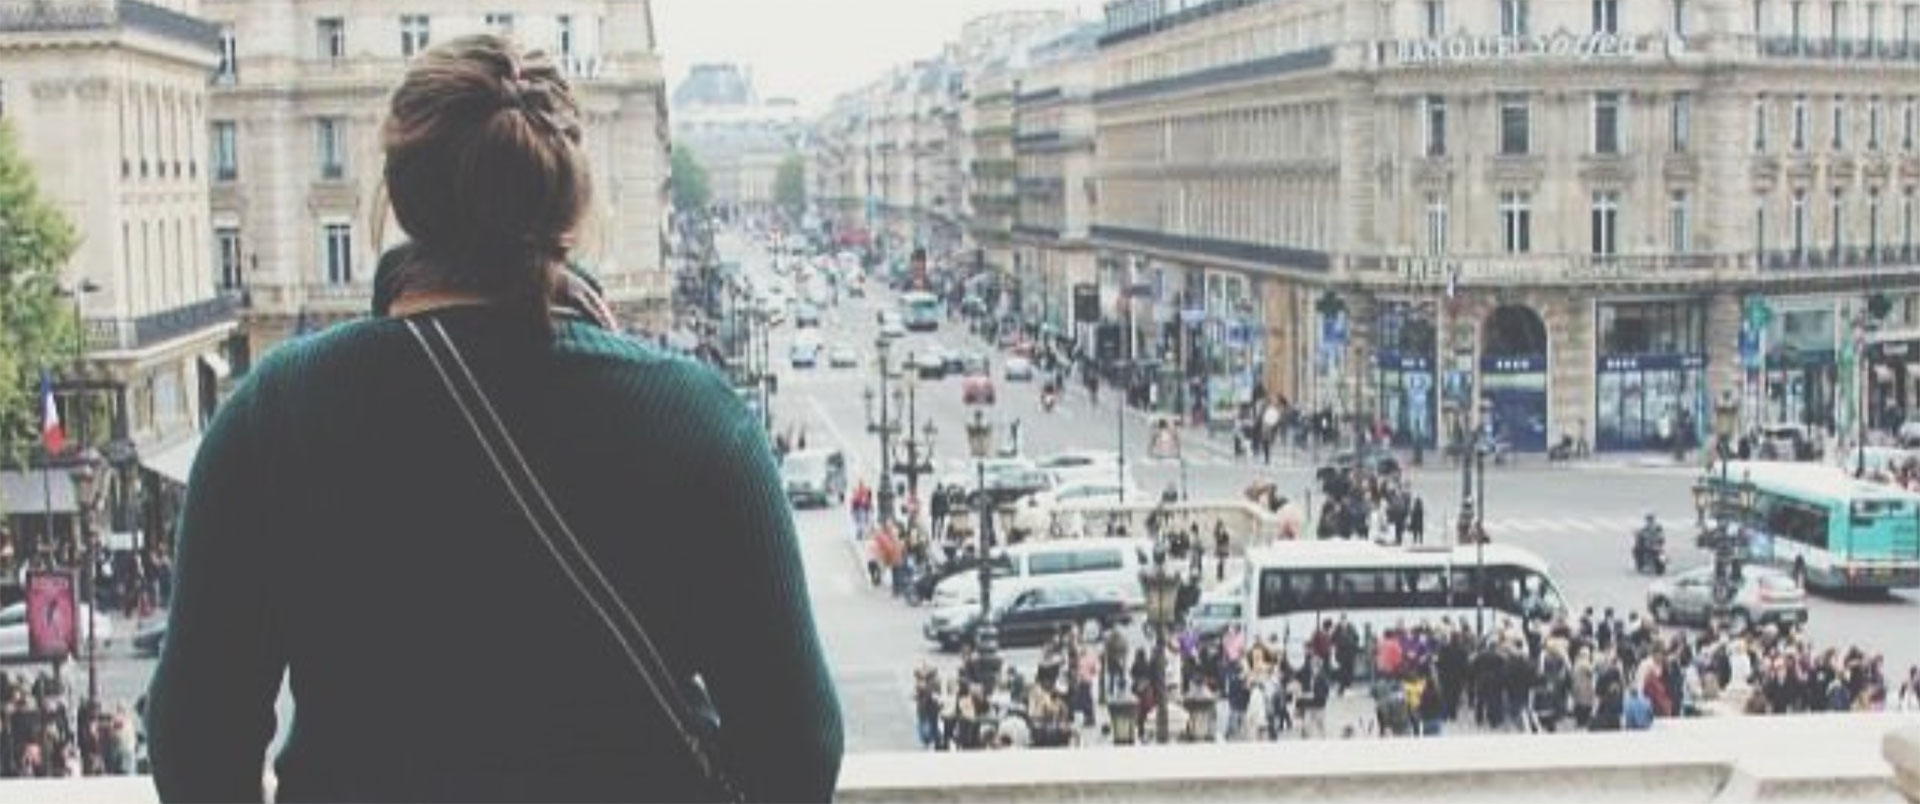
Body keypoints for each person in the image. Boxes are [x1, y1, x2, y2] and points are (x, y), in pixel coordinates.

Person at [147, 36, 843, 803]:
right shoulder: (696, 422)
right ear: (574, 206)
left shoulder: (276, 416)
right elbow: (798, 748)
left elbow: (195, 743)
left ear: (400, 199)